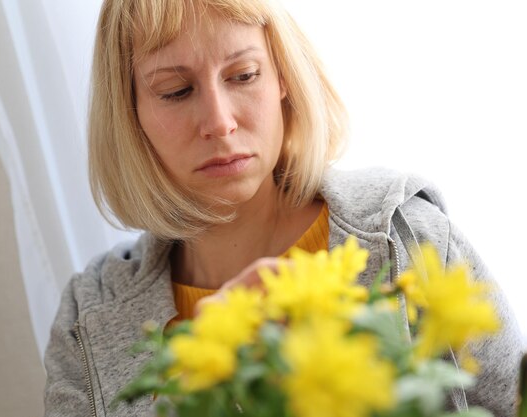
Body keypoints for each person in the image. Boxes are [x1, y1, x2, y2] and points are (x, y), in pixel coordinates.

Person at [43, 0, 523, 416]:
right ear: (131, 113)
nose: (219, 121)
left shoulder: (407, 238)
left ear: (282, 79)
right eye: (176, 90)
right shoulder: (88, 317)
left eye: (243, 75)